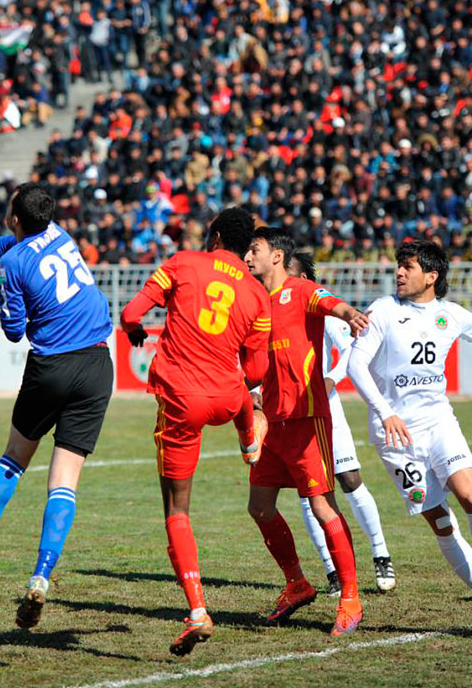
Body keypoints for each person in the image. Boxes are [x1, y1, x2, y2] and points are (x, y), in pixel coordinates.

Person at [0, 183, 114, 629]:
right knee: (64, 482)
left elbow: (13, 331)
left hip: (51, 367)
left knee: (13, 459)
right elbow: (11, 242)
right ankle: (41, 577)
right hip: (97, 366)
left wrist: (16, 305)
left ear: (14, 218)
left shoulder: (12, 264)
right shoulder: (59, 233)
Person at [346, 240, 472, 636]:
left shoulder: (451, 314)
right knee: (442, 522)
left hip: (438, 422)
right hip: (395, 435)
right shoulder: (383, 310)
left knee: (471, 497)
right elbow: (356, 364)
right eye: (399, 265)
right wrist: (386, 412)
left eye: (408, 266)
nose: (399, 272)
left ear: (431, 276)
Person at [118, 207, 272, 656]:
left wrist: (133, 330)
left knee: (177, 510)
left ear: (216, 236)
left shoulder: (184, 262)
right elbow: (257, 369)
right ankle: (249, 437)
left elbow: (131, 312)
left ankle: (198, 611)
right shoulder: (257, 293)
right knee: (241, 391)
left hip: (183, 399)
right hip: (228, 396)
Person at [243, 228, 369, 637]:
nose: (247, 257)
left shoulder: (301, 290)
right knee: (259, 507)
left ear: (277, 256)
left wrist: (349, 315)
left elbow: (330, 302)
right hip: (272, 422)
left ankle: (350, 597)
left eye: (254, 250)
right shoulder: (252, 300)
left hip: (306, 418)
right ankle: (297, 583)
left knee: (322, 506)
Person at [286, 252, 397, 595]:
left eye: (289, 271)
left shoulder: (320, 307)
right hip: (289, 411)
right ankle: (332, 570)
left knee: (349, 479)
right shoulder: (268, 307)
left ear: (304, 277)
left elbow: (350, 348)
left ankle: (380, 554)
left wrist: (332, 378)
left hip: (326, 407)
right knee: (309, 492)